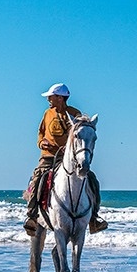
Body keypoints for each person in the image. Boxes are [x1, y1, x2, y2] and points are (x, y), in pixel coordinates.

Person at [23, 82, 108, 237]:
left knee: (93, 181)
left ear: (60, 98)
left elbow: (82, 135)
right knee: (37, 179)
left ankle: (94, 218)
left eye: (51, 96)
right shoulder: (47, 114)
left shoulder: (75, 113)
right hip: (48, 156)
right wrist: (42, 142)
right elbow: (40, 133)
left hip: (69, 157)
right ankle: (32, 216)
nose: (48, 99)